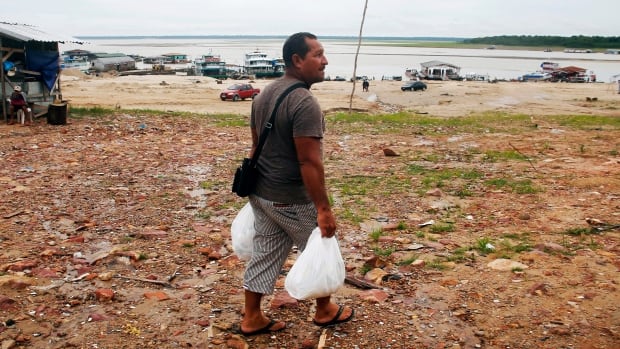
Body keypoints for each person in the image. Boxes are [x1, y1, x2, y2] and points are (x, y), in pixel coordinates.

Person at [240, 32, 354, 336]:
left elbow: (255, 147)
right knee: (320, 245)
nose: (325, 60)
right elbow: (309, 162)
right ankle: (324, 310)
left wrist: (256, 192)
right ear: (297, 60)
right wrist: (323, 209)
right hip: (291, 196)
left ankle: (252, 317)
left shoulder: (265, 93)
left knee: (266, 252)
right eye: (317, 54)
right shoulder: (304, 102)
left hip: (262, 193)